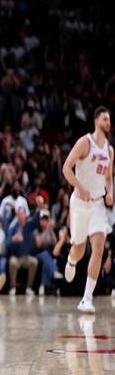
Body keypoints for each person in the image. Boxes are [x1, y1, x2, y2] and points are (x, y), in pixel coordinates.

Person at [62, 106, 113, 313]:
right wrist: (80, 187)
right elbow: (66, 168)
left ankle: (86, 298)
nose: (108, 122)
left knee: (99, 247)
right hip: (80, 203)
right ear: (96, 121)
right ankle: (71, 260)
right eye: (105, 119)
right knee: (79, 250)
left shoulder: (109, 150)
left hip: (98, 204)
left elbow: (108, 177)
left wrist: (110, 192)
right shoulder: (85, 142)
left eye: (109, 119)